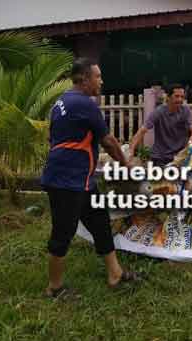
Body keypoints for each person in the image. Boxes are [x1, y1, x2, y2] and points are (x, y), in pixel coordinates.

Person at [40, 58, 139, 298]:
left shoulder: (61, 102)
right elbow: (109, 140)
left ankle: (115, 274)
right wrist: (125, 165)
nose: (101, 81)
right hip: (67, 180)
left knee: (99, 223)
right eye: (98, 76)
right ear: (84, 79)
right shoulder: (85, 104)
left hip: (80, 179)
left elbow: (54, 138)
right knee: (63, 231)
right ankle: (54, 288)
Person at [129, 84, 192, 167]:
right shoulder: (159, 112)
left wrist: (191, 140)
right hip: (160, 158)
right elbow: (142, 131)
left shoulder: (185, 110)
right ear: (168, 97)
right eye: (176, 96)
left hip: (180, 157)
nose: (180, 99)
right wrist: (131, 150)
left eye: (182, 97)